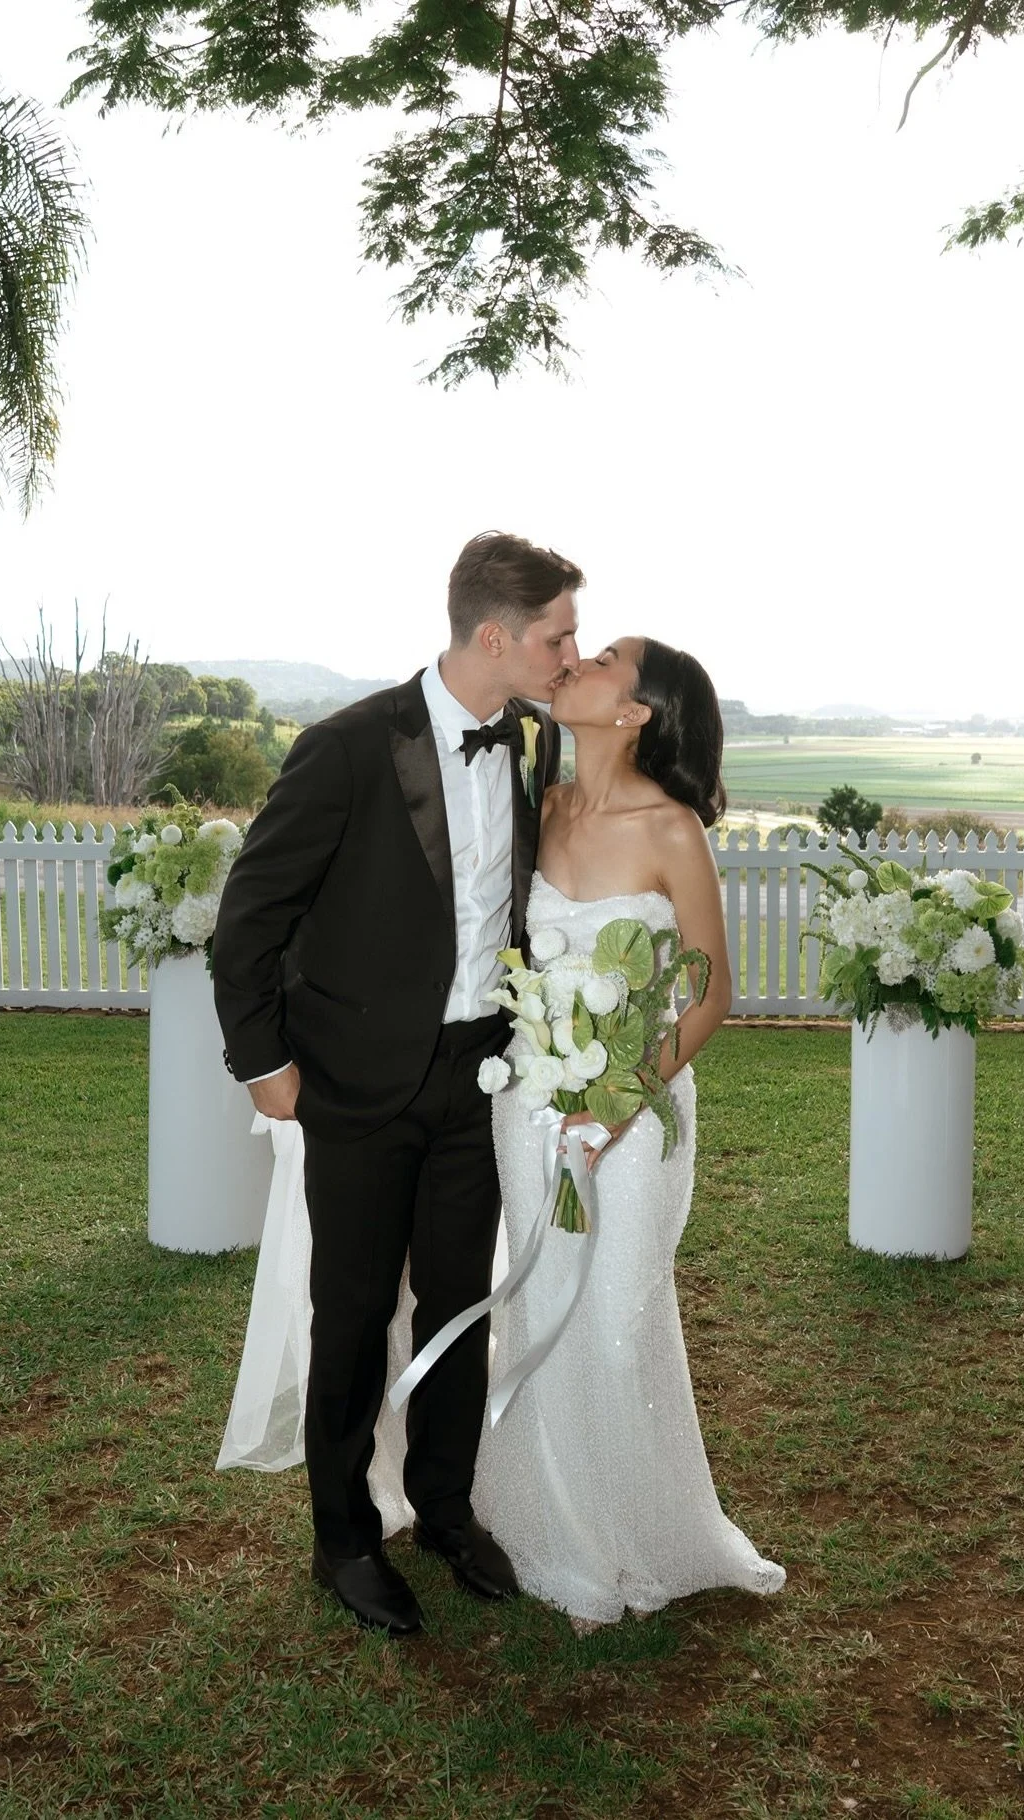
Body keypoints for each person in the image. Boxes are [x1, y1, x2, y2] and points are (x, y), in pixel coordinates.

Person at [212, 531, 581, 1636]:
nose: (573, 651)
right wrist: (264, 1063)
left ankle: (448, 1509)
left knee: (463, 1306)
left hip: (481, 1081)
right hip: (357, 1086)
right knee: (357, 1310)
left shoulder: (535, 744)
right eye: (558, 635)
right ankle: (344, 1538)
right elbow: (251, 915)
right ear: (494, 634)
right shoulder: (348, 747)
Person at [469, 636, 786, 1624]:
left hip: (637, 1111)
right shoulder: (545, 803)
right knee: (538, 1296)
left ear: (636, 710)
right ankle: (548, 1526)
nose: (579, 659)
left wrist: (616, 1099)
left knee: (615, 1319)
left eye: (604, 657)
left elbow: (713, 990)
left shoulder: (672, 828)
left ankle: (641, 1530)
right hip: (528, 1100)